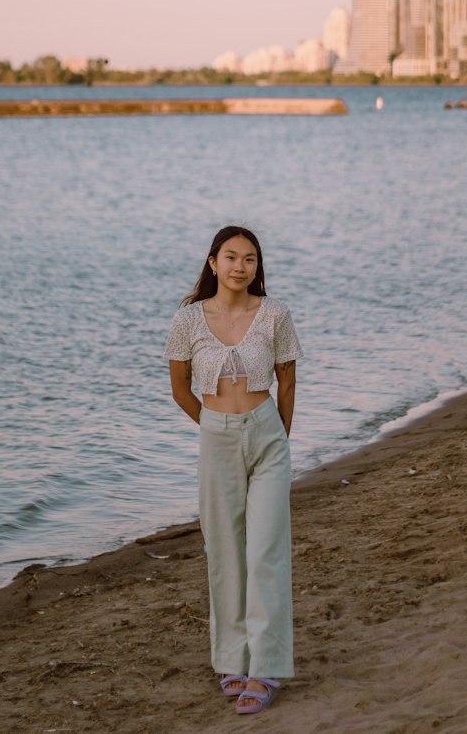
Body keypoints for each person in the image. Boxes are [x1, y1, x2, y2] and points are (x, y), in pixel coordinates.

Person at [165, 225, 302, 716]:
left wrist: (278, 436)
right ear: (212, 263)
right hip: (215, 434)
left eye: (249, 259)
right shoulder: (187, 320)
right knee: (225, 554)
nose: (240, 267)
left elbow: (286, 382)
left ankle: (265, 667)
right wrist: (214, 426)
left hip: (268, 438)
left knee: (266, 552)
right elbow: (180, 387)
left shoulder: (275, 316)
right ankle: (231, 660)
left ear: (256, 267)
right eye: (231, 257)